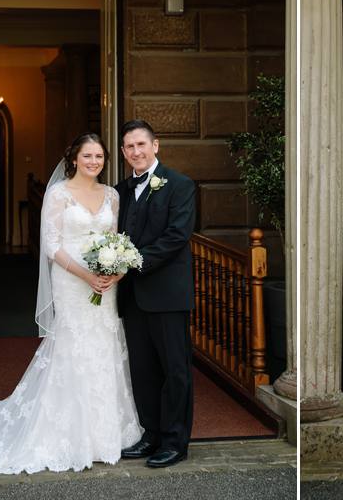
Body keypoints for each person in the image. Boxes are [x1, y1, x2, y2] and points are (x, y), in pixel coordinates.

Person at [0, 134, 143, 475]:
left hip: (105, 283)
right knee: (72, 345)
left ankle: (104, 433)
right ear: (74, 158)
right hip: (72, 280)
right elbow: (52, 245)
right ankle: (69, 433)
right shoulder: (58, 194)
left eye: (99, 155)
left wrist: (115, 272)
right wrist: (85, 274)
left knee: (104, 344)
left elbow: (115, 240)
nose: (94, 161)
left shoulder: (111, 195)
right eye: (87, 155)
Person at [116, 120, 196, 468]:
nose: (136, 152)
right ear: (123, 152)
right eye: (129, 147)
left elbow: (177, 236)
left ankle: (175, 441)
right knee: (143, 369)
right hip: (132, 296)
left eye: (141, 145)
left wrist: (133, 263)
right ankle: (150, 434)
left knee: (174, 370)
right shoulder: (118, 191)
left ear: (155, 146)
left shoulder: (180, 185)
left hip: (166, 294)